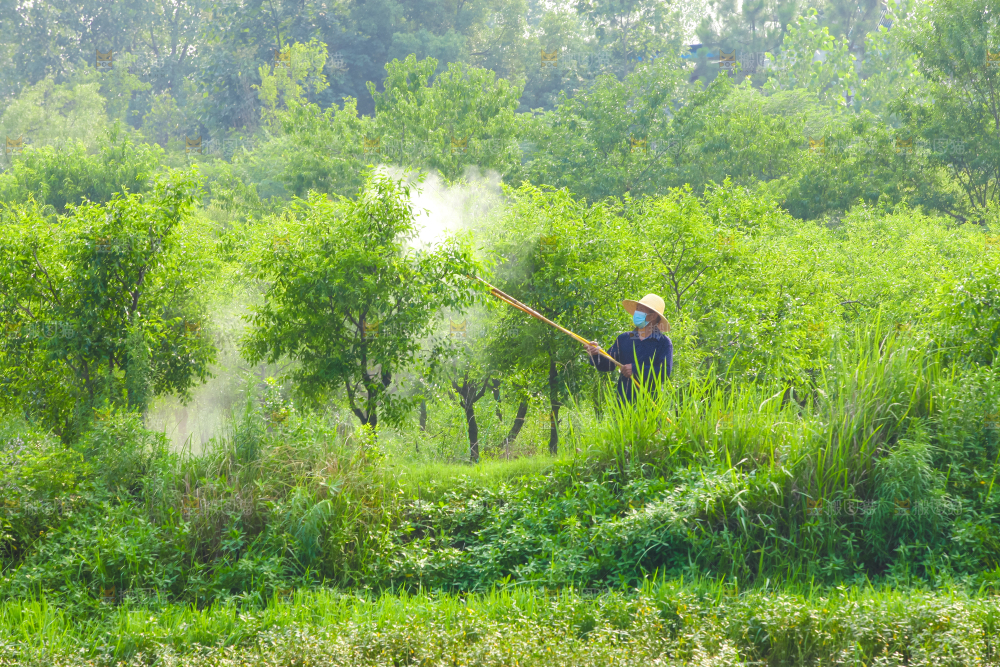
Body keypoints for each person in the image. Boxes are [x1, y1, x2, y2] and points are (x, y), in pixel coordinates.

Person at [585, 294, 673, 403]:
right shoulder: (624, 339)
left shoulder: (663, 343)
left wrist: (635, 369)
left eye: (641, 310)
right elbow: (607, 364)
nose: (637, 313)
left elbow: (664, 373)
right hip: (624, 402)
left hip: (651, 403)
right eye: (637, 309)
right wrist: (596, 354)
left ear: (653, 316)